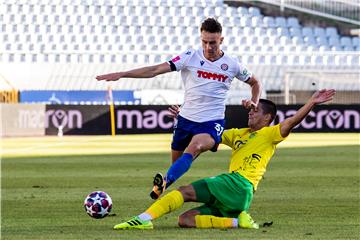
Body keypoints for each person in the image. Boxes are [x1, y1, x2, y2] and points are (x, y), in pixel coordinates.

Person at [112, 89, 336, 230]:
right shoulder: (238, 134)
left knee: (184, 191)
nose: (250, 113)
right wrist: (184, 118)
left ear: (267, 117)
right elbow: (207, 136)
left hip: (239, 183)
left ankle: (142, 218)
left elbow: (292, 122)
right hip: (239, 197)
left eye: (256, 111)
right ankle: (238, 221)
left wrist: (312, 103)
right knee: (185, 220)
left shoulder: (271, 134)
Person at [96, 18, 262, 199]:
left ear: (221, 40)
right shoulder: (190, 56)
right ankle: (166, 185)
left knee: (195, 146)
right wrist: (123, 74)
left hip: (211, 122)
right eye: (204, 42)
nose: (208, 47)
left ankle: (165, 182)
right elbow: (155, 70)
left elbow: (255, 82)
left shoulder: (232, 64)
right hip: (185, 120)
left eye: (212, 42)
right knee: (176, 164)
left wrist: (254, 101)